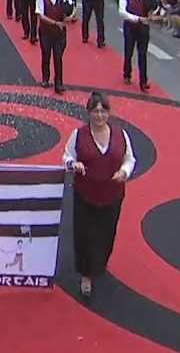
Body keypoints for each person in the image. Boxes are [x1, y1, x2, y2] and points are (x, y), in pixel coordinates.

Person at [63, 91, 135, 300]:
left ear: (108, 113)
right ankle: (86, 274)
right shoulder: (79, 135)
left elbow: (129, 159)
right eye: (95, 111)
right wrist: (73, 164)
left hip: (112, 195)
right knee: (84, 235)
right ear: (89, 113)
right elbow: (67, 156)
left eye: (103, 111)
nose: (99, 115)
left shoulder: (121, 135)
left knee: (106, 234)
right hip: (85, 194)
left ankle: (98, 264)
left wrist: (124, 172)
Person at [119, 0, 155, 92]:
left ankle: (143, 81)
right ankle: (127, 73)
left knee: (142, 54)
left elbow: (153, 4)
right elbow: (122, 12)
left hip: (143, 27)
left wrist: (151, 12)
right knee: (128, 51)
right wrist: (137, 18)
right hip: (130, 26)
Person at [36, 0, 73, 94]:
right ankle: (45, 79)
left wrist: (69, 17)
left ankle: (59, 83)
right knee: (46, 55)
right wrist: (55, 23)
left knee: (58, 58)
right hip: (46, 32)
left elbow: (71, 8)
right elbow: (40, 16)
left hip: (59, 34)